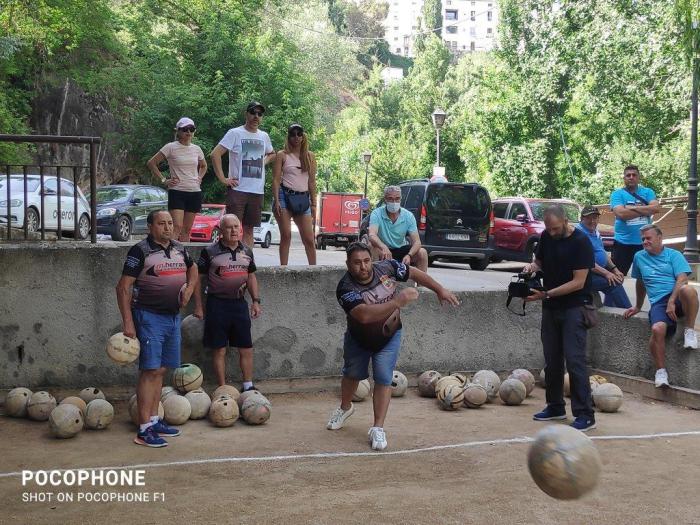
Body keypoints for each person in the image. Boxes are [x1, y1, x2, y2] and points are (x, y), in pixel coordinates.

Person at [327, 241, 459, 450]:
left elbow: (413, 272)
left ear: (372, 259)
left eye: (366, 261)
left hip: (389, 335)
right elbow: (363, 315)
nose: (363, 267)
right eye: (357, 263)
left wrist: (439, 289)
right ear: (348, 264)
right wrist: (398, 302)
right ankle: (345, 408)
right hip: (358, 339)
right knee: (351, 374)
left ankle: (378, 428)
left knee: (383, 377)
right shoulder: (345, 288)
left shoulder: (387, 268)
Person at [116, 210, 201, 447]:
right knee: (150, 371)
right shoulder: (140, 251)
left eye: (170, 223)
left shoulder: (179, 248)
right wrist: (128, 322)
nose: (167, 227)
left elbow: (193, 269)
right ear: (150, 227)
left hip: (172, 317)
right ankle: (144, 429)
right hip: (148, 317)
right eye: (162, 223)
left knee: (162, 370)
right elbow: (123, 287)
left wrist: (190, 288)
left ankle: (154, 420)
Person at [522, 205, 597, 432]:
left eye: (555, 228)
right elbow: (540, 262)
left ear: (566, 221)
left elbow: (579, 281)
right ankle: (555, 406)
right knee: (552, 359)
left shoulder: (581, 242)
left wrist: (547, 293)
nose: (552, 233)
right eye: (548, 228)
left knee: (575, 360)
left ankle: (585, 414)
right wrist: (531, 267)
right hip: (551, 306)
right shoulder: (546, 236)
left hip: (575, 306)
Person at [623, 224, 699, 387]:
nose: (645, 241)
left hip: (677, 296)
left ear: (659, 237)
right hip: (658, 302)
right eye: (643, 239)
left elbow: (682, 278)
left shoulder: (674, 254)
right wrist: (637, 306)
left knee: (689, 290)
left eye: (648, 238)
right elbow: (640, 282)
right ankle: (661, 372)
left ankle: (690, 331)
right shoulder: (639, 257)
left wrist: (672, 301)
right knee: (657, 329)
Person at [196, 214, 262, 392]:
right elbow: (198, 280)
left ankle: (248, 385)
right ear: (220, 230)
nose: (233, 230)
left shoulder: (247, 251)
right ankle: (222, 388)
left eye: (236, 227)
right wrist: (198, 306)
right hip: (217, 304)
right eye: (229, 227)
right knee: (219, 349)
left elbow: (251, 276)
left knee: (246, 347)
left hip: (239, 304)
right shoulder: (209, 251)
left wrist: (255, 301)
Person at [210, 102, 275, 248]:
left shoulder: (264, 136)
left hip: (257, 191)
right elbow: (215, 154)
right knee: (231, 229)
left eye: (259, 114)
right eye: (253, 112)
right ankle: (228, 262)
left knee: (249, 230)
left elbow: (272, 154)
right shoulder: (235, 133)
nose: (256, 116)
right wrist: (223, 179)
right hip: (238, 190)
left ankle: (246, 263)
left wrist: (262, 162)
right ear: (246, 114)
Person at [147, 117, 207, 242]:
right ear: (178, 131)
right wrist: (164, 180)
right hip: (177, 191)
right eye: (185, 129)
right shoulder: (171, 147)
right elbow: (151, 163)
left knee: (187, 229)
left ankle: (184, 258)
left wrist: (199, 177)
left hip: (194, 191)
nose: (189, 132)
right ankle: (170, 255)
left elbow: (204, 165)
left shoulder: (197, 149)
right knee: (177, 226)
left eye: (191, 129)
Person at [272, 123, 317, 265]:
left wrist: (314, 203)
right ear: (288, 137)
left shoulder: (309, 156)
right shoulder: (282, 155)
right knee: (286, 235)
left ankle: (313, 270)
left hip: (303, 198)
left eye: (299, 134)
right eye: (292, 134)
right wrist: (277, 201)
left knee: (309, 239)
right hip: (285, 196)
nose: (296, 137)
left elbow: (312, 182)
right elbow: (276, 179)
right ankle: (283, 269)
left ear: (303, 136)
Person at [576, 205, 631, 308]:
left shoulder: (594, 232)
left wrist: (615, 270)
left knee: (617, 278)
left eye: (595, 218)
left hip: (595, 272)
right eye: (589, 218)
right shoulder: (579, 235)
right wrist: (606, 273)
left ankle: (610, 310)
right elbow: (586, 262)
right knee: (614, 283)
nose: (592, 221)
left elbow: (602, 252)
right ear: (582, 218)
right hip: (583, 276)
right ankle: (629, 313)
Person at [609, 165, 660, 275]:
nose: (631, 177)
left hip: (644, 242)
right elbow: (621, 213)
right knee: (617, 276)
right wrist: (646, 209)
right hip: (622, 243)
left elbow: (656, 208)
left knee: (645, 277)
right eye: (628, 175)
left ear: (638, 177)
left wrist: (634, 208)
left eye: (634, 175)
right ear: (624, 178)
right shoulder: (617, 194)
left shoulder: (648, 192)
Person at [367, 185, 428, 272]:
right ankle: (375, 280)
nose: (394, 202)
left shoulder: (408, 216)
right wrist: (383, 247)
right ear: (385, 199)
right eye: (391, 199)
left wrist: (409, 255)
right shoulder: (377, 213)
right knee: (371, 246)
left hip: (401, 249)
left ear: (400, 199)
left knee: (422, 252)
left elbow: (417, 242)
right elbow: (372, 235)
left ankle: (421, 285)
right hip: (382, 250)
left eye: (397, 198)